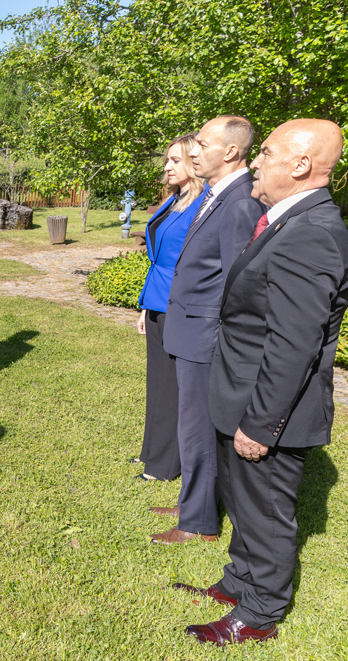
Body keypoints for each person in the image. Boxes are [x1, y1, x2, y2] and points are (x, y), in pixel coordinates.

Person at [178, 119, 348, 646]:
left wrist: (261, 423)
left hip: (268, 407)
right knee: (243, 502)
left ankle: (259, 614)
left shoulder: (312, 231)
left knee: (266, 512)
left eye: (267, 152)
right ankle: (239, 581)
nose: (256, 160)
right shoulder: (286, 219)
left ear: (300, 165)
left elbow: (294, 343)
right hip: (241, 394)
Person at [150, 116, 261, 545]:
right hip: (189, 329)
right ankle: (192, 502)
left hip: (204, 336)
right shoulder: (219, 194)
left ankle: (198, 522)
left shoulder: (240, 201)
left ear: (230, 151)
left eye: (201, 144)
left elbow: (240, 283)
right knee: (191, 427)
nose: (193, 152)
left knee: (198, 429)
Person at [134, 134, 207, 482]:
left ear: (195, 161)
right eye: (167, 160)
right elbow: (160, 257)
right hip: (158, 300)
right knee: (158, 382)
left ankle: (164, 465)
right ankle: (152, 450)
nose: (167, 166)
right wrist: (145, 306)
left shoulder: (204, 204)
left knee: (171, 386)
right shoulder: (174, 199)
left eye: (175, 160)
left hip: (180, 303)